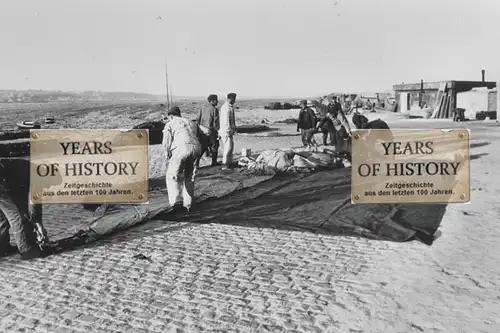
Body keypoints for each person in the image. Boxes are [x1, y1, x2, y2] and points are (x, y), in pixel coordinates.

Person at [0, 158, 49, 260]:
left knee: (3, 216)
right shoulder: (38, 176)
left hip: (5, 181)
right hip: (2, 182)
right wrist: (39, 225)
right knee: (17, 216)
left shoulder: (28, 167)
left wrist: (37, 224)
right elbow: (34, 203)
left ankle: (2, 247)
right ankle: (27, 250)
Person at [162, 106, 202, 213]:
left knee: (172, 176)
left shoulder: (170, 123)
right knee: (189, 177)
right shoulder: (191, 122)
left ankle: (175, 204)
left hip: (181, 148)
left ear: (170, 116)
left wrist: (167, 156)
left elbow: (166, 142)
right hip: (196, 148)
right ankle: (188, 204)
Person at [197, 94, 220, 166]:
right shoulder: (214, 110)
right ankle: (214, 162)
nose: (217, 102)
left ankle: (196, 163)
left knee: (203, 147)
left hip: (202, 131)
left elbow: (198, 119)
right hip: (211, 131)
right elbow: (215, 123)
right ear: (212, 101)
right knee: (215, 146)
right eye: (216, 100)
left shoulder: (202, 107)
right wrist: (217, 132)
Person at [219, 93, 237, 170]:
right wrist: (228, 131)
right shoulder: (226, 107)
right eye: (234, 99)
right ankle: (225, 164)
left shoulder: (229, 107)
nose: (234, 101)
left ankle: (229, 162)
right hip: (226, 131)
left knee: (230, 147)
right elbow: (226, 121)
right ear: (230, 99)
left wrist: (234, 128)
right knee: (227, 147)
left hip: (229, 130)